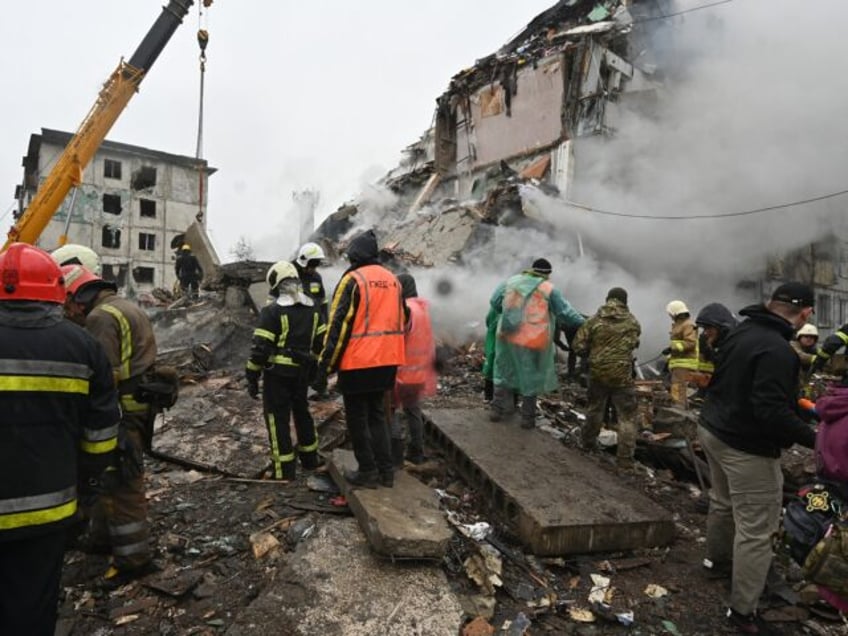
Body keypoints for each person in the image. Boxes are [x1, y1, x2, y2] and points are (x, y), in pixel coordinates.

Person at [0, 244, 119, 634]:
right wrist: (85, 488)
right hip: (49, 511)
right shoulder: (82, 347)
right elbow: (101, 437)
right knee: (31, 606)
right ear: (57, 290)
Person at [698, 282, 817, 633]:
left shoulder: (742, 330)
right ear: (806, 312)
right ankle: (742, 610)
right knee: (757, 531)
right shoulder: (780, 351)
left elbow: (743, 383)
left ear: (771, 303)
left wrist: (803, 409)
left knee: (721, 502)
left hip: (712, 430)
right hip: (745, 448)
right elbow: (769, 412)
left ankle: (715, 562)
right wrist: (816, 440)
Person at [63, 264, 158, 584]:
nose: (70, 313)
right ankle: (102, 539)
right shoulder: (125, 306)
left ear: (78, 297)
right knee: (109, 475)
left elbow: (103, 376)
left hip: (120, 412)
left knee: (123, 483)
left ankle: (133, 560)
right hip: (137, 407)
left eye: (68, 305)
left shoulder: (100, 318)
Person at [316, 229, 405, 488]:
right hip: (388, 361)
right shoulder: (393, 280)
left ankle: (367, 470)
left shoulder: (353, 279)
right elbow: (404, 317)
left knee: (358, 419)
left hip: (358, 363)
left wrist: (324, 368)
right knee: (378, 415)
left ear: (354, 255)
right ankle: (386, 471)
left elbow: (337, 327)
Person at [246, 261, 326, 481]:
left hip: (278, 376)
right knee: (302, 413)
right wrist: (314, 369)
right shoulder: (314, 309)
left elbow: (260, 349)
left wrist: (252, 376)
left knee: (277, 419)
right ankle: (310, 461)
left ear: (275, 283)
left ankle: (284, 471)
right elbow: (320, 344)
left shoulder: (272, 311)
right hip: (302, 374)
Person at [488, 258, 584, 429]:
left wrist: (507, 316)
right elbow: (565, 313)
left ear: (531, 269)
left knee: (503, 371)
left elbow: (495, 302)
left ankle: (496, 411)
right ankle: (527, 419)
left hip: (507, 336)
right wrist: (584, 322)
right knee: (530, 377)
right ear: (547, 274)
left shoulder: (511, 282)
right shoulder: (548, 288)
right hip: (533, 340)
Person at [572, 287, 641, 470]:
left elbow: (578, 345)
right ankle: (625, 459)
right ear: (625, 301)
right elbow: (635, 342)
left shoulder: (595, 320)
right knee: (627, 417)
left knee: (595, 409)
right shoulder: (633, 322)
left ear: (608, 299)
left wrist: (593, 351)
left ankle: (588, 443)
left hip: (598, 373)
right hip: (622, 376)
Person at [390, 273, 437, 466]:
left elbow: (397, 338)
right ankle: (417, 452)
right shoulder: (422, 308)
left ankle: (395, 455)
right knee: (413, 411)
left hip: (403, 371)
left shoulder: (406, 310)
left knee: (390, 410)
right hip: (419, 370)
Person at [293, 242, 329, 398]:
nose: (314, 267)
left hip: (315, 323)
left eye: (317, 263)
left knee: (318, 354)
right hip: (296, 324)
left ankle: (318, 386)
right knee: (298, 356)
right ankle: (299, 388)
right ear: (304, 260)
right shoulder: (291, 275)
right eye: (312, 263)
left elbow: (322, 300)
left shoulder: (316, 277)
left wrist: (325, 321)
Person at [693, 302, 738, 389]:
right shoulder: (705, 341)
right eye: (704, 328)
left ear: (723, 328)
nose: (705, 333)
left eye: (708, 328)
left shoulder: (739, 344)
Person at [663, 300, 698, 408]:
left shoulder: (688, 325)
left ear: (674, 312)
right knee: (679, 390)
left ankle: (678, 415)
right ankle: (683, 412)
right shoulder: (680, 324)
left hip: (684, 364)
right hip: (679, 363)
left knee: (677, 390)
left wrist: (672, 347)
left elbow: (690, 343)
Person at [792, 323, 819, 392]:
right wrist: (818, 359)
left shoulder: (813, 350)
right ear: (799, 337)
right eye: (806, 336)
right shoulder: (793, 345)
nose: (809, 339)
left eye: (812, 337)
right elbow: (800, 356)